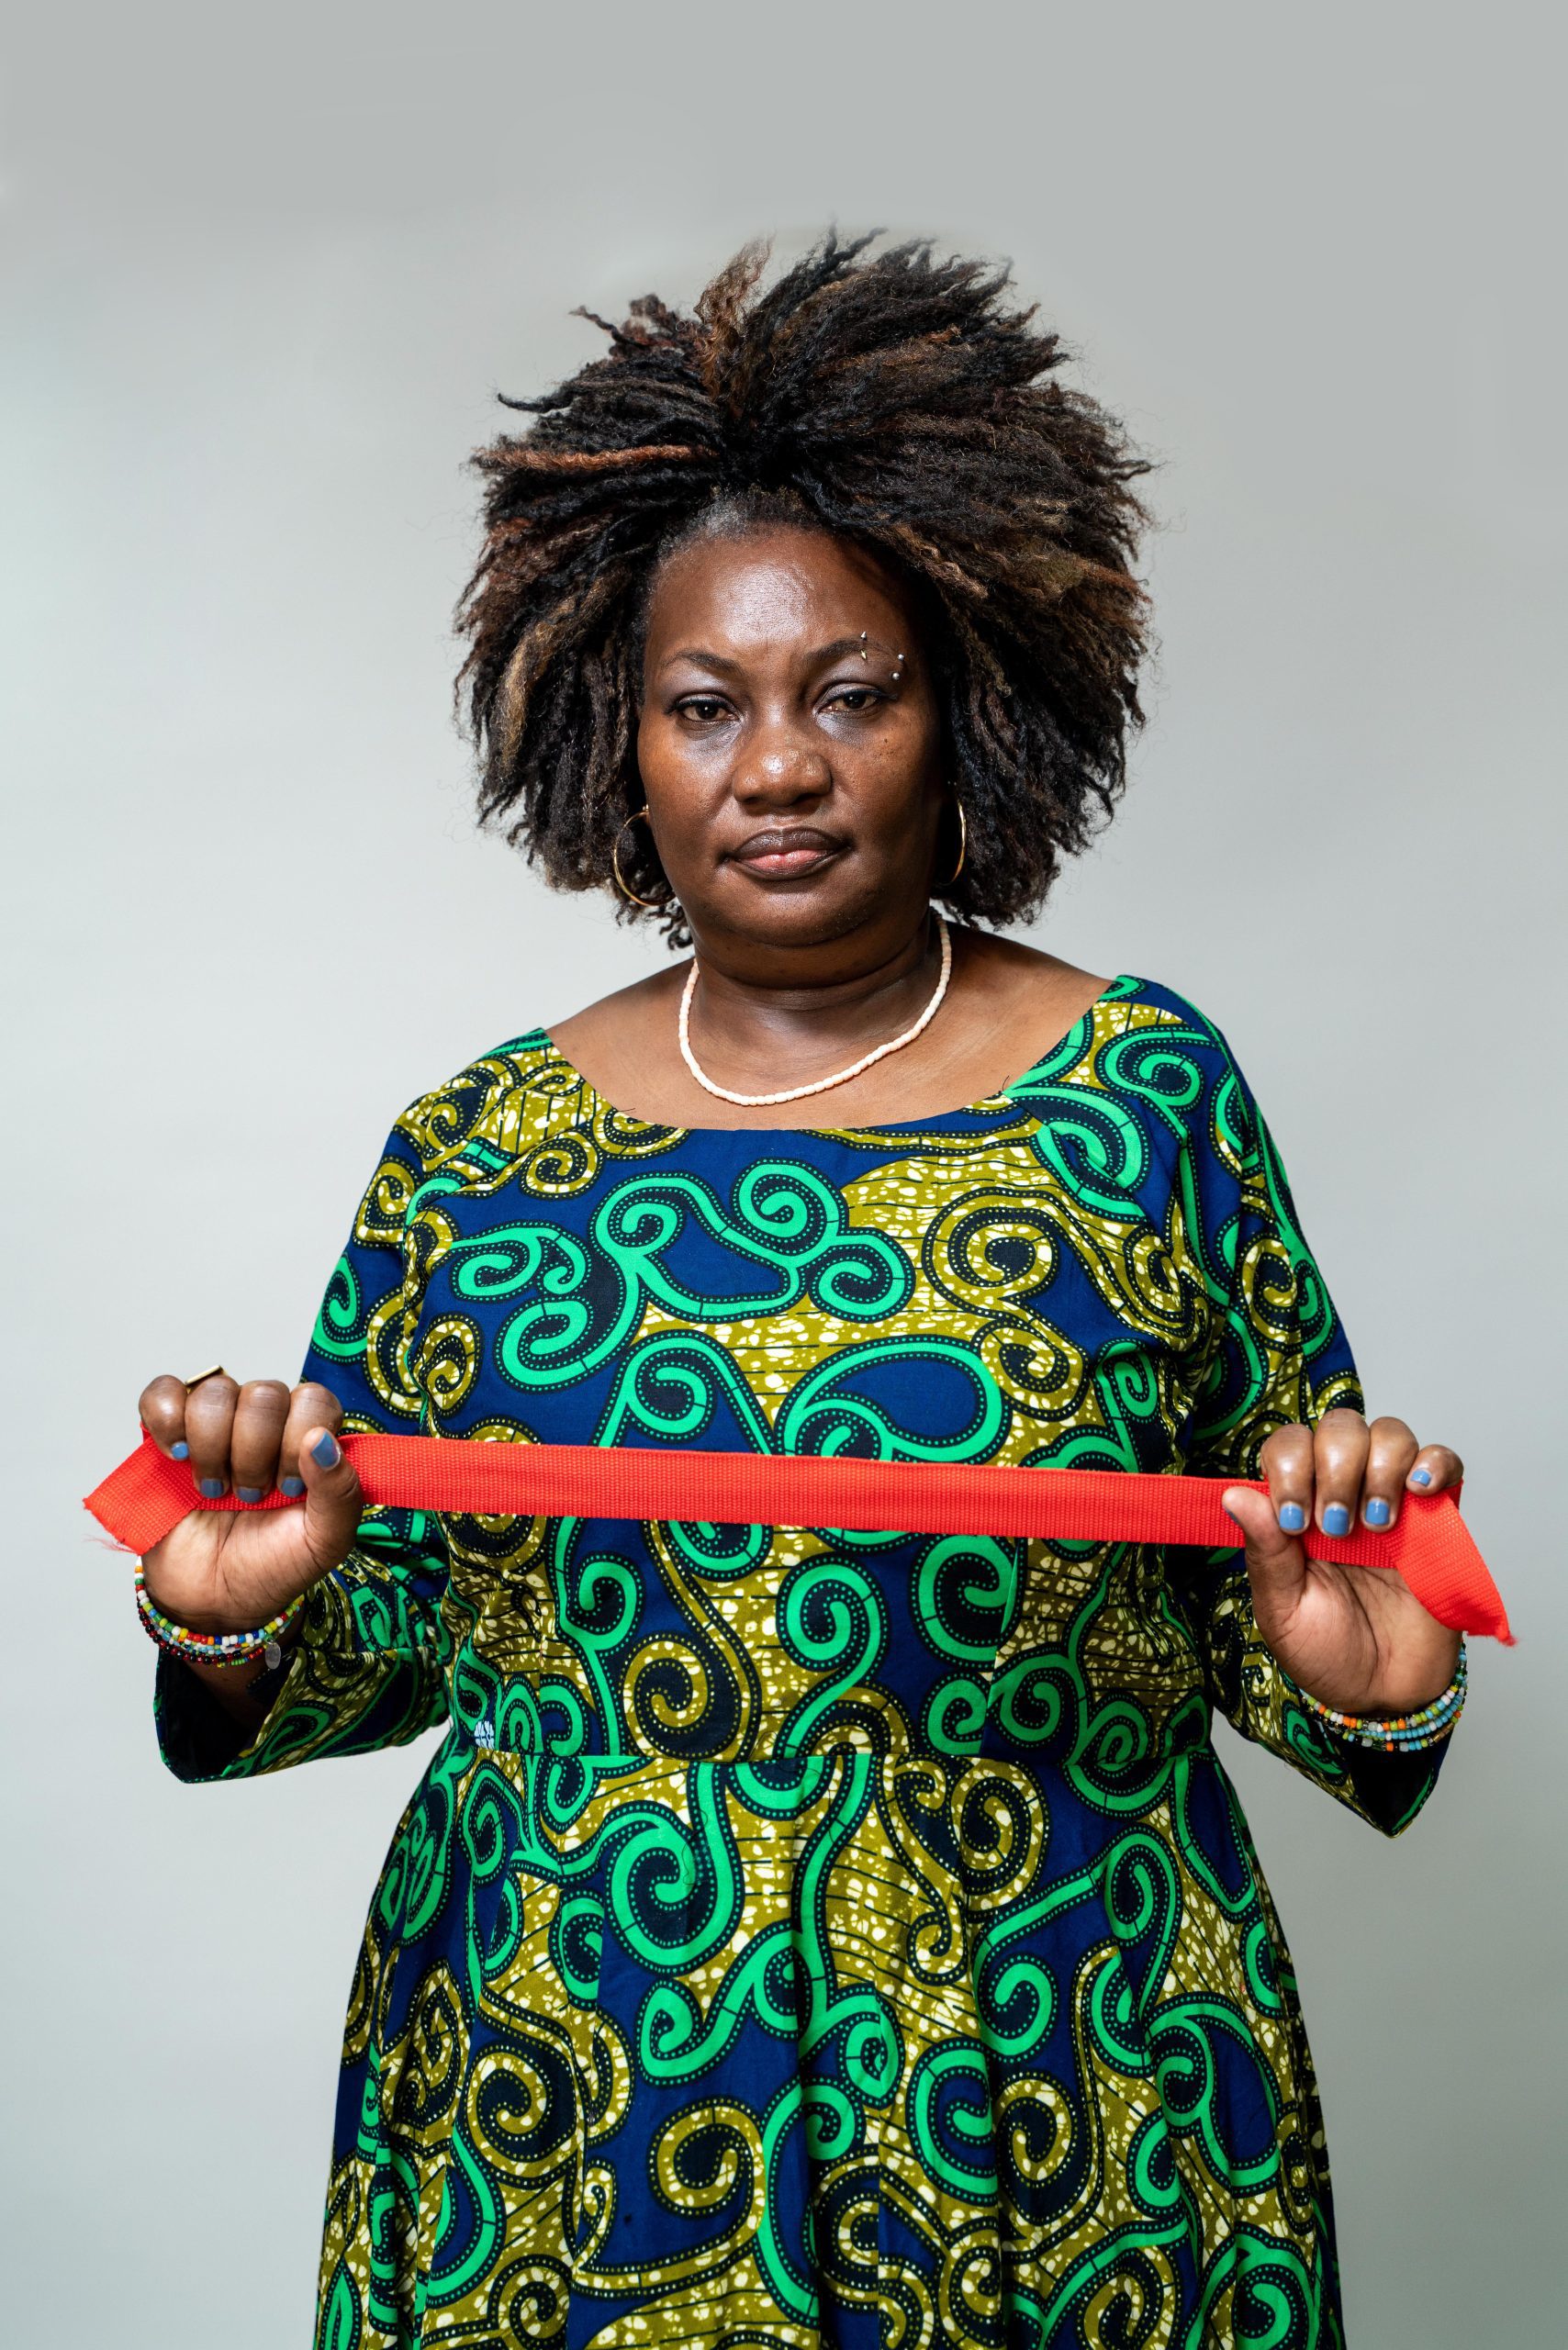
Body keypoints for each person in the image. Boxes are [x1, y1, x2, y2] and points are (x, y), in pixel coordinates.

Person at [136, 237, 1467, 2349]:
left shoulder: (1138, 1096)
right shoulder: (470, 1154)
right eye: (703, 704)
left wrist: (1369, 1676)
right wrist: (237, 1619)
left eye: (850, 691)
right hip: (555, 2110)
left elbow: (1317, 1612)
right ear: (617, 737)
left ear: (970, 712)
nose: (775, 764)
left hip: (1060, 2081)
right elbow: (369, 1651)